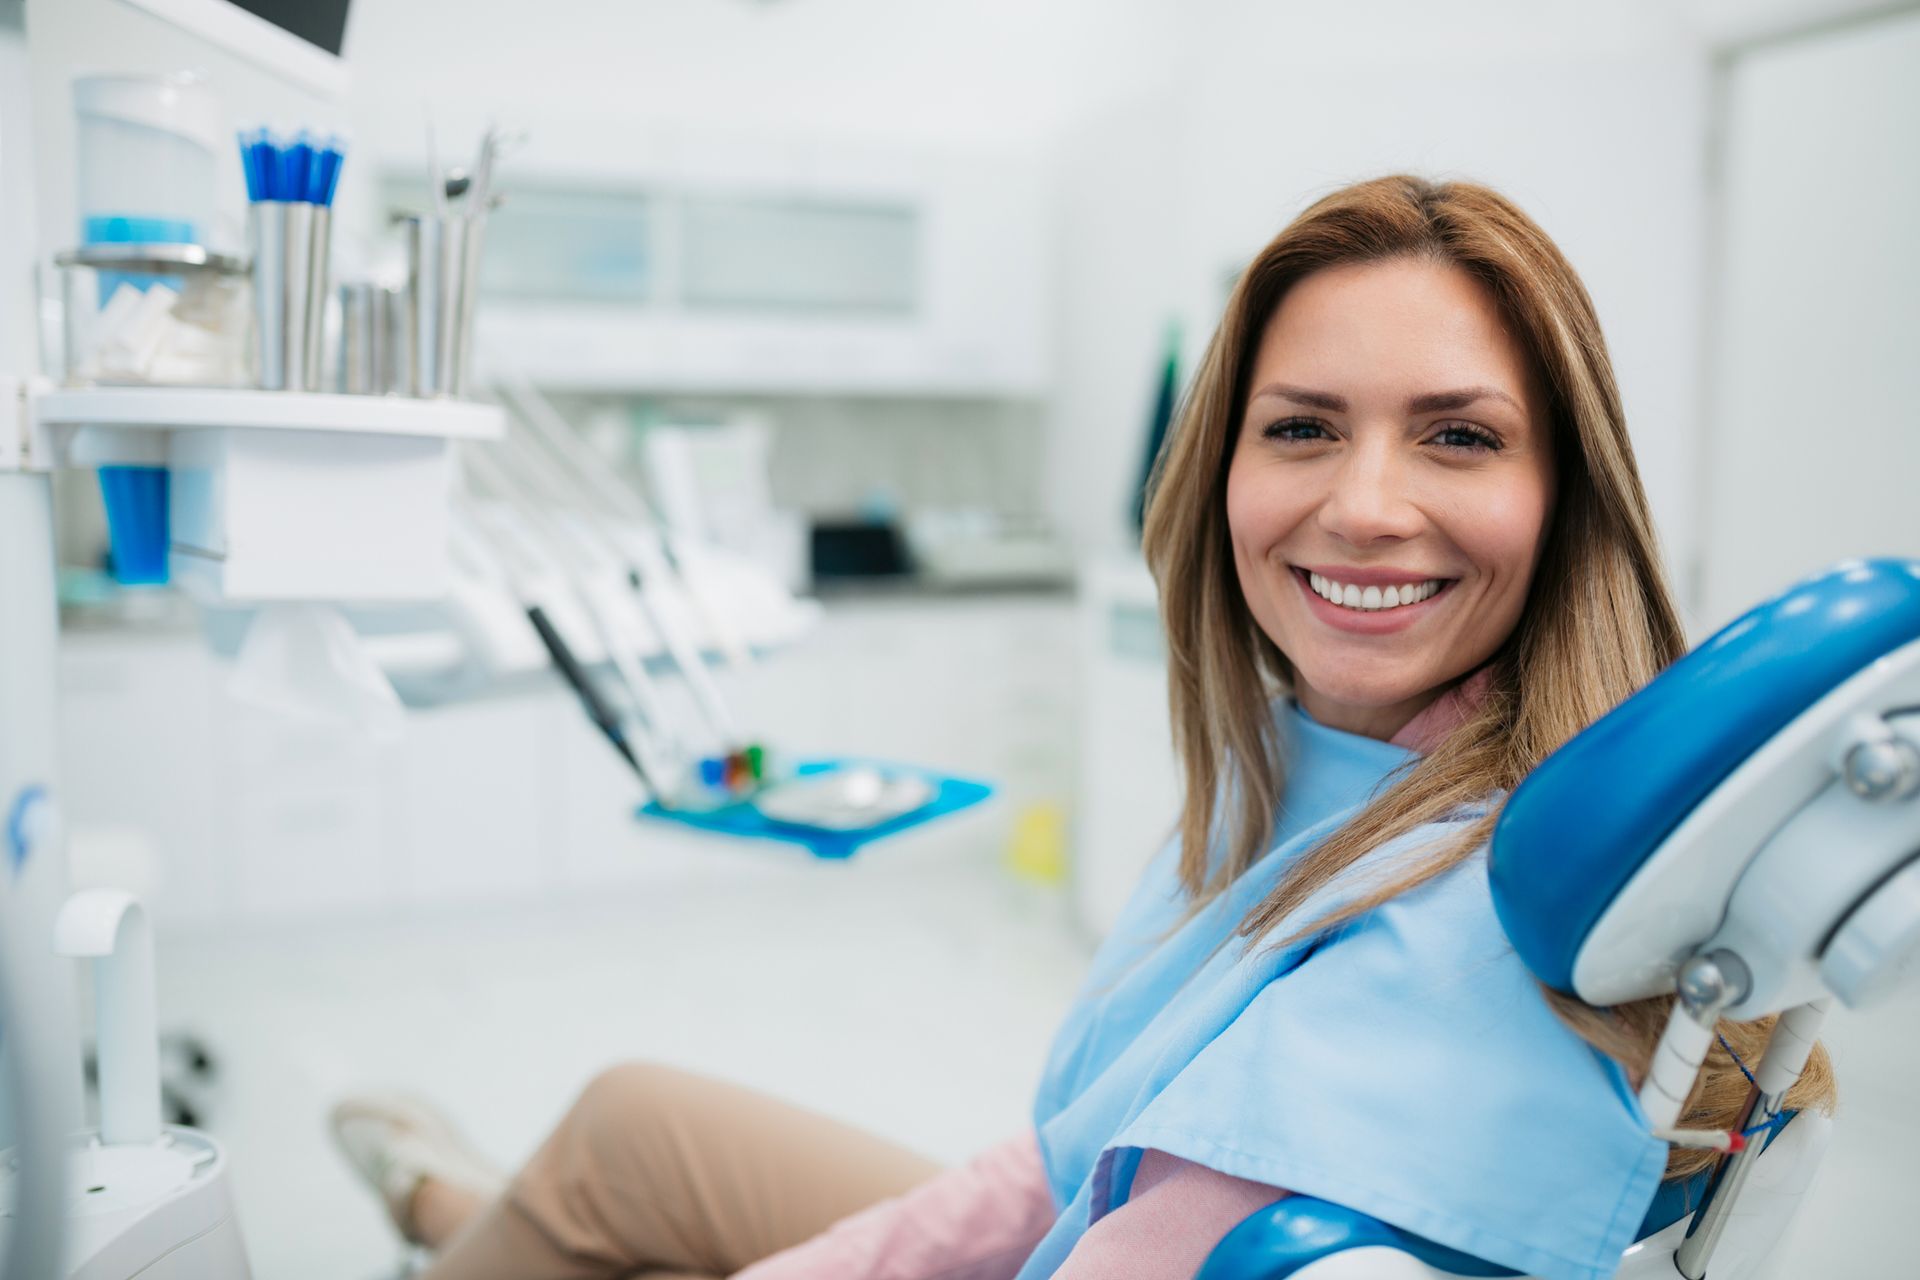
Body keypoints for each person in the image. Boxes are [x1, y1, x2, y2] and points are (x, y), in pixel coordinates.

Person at [331, 174, 1833, 1280]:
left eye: (1459, 434)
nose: (1365, 505)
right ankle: (470, 1212)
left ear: (1566, 498)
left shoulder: (1471, 917)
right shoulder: (1335, 768)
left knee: (617, 1209)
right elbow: (1071, 1163)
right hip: (1079, 1221)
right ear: (1222, 471)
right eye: (1302, 424)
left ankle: (454, 1218)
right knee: (636, 1122)